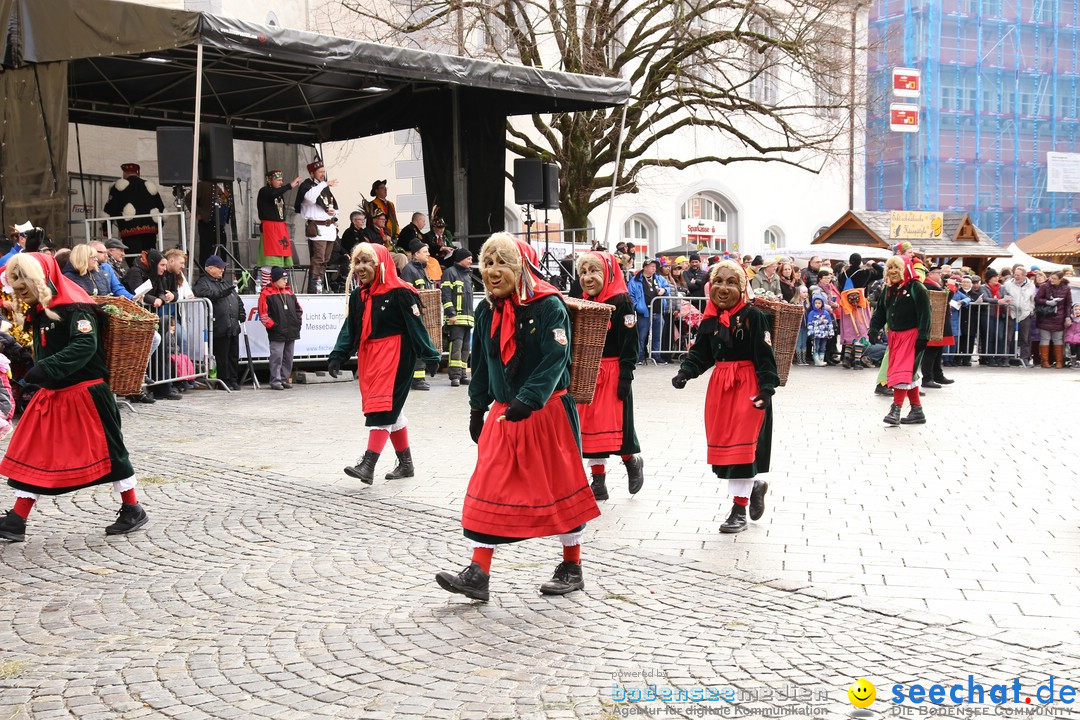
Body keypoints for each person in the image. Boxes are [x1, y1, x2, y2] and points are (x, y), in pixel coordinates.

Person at [434, 234, 600, 602]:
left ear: (521, 267)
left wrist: (529, 399)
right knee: (489, 485)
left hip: (546, 412)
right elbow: (482, 362)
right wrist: (477, 407)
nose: (493, 271)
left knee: (561, 489)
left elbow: (554, 359)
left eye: (502, 263)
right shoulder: (486, 309)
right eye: (488, 263)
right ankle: (478, 572)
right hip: (504, 415)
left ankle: (572, 566)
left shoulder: (548, 306)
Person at [0, 253, 147, 543]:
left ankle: (132, 507)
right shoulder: (43, 309)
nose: (19, 290)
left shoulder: (76, 307)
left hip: (87, 393)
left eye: (23, 282)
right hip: (54, 394)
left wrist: (46, 368)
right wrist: (24, 356)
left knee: (111, 451)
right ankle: (17, 519)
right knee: (34, 452)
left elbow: (84, 346)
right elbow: (49, 347)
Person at [671, 260, 777, 534]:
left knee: (743, 448)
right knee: (727, 448)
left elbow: (765, 357)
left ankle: (738, 509)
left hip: (748, 386)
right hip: (721, 387)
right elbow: (702, 353)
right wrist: (686, 372)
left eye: (731, 282)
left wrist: (766, 390)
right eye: (719, 281)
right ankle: (753, 487)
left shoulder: (754, 316)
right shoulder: (711, 318)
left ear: (742, 288)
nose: (723, 288)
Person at [327, 243, 440, 484]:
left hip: (397, 354)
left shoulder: (401, 292)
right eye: (358, 263)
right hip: (371, 355)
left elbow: (416, 327)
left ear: (380, 264)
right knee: (392, 410)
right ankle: (406, 464)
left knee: (383, 408)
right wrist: (338, 354)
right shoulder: (360, 295)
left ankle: (368, 464)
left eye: (367, 262)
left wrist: (430, 355)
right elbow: (351, 329)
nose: (361, 268)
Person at [574, 251, 644, 501]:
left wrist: (626, 374)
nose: (587, 278)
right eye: (583, 272)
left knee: (616, 425)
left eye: (594, 271)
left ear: (608, 273)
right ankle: (598, 482)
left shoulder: (621, 301)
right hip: (589, 371)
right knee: (590, 428)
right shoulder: (583, 302)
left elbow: (630, 341)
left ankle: (631, 462)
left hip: (613, 371)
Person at [868, 256, 931, 426]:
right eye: (890, 268)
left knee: (902, 372)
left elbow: (926, 314)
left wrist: (923, 337)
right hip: (895, 336)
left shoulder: (917, 288)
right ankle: (917, 410)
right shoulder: (889, 289)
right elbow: (880, 311)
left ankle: (895, 409)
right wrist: (873, 329)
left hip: (911, 336)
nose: (893, 271)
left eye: (897, 267)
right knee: (907, 372)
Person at [194, 255, 245, 391]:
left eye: (223, 267)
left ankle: (234, 379)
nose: (222, 270)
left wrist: (241, 312)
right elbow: (203, 293)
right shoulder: (203, 282)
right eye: (219, 267)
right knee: (222, 356)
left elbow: (237, 299)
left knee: (233, 355)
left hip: (233, 324)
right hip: (219, 324)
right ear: (210, 269)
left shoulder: (225, 282)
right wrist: (222, 293)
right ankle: (224, 380)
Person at [294, 160, 339, 294]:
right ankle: (314, 288)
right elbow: (310, 198)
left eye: (323, 172)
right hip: (317, 228)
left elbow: (335, 207)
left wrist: (333, 212)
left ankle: (320, 285)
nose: (322, 174)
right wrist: (325, 184)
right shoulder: (307, 186)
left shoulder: (324, 187)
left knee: (325, 260)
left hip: (328, 228)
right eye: (320, 172)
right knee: (318, 258)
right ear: (312, 173)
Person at [102, 163, 165, 256]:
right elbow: (161, 209)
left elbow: (110, 208)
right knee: (149, 256)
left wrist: (106, 228)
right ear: (137, 172)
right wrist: (159, 226)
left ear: (124, 173)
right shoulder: (149, 185)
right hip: (150, 231)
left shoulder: (118, 187)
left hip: (129, 230)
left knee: (133, 256)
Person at [258, 266, 303, 390]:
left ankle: (284, 379)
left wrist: (297, 322)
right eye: (283, 278)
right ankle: (275, 380)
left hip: (291, 331)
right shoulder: (266, 293)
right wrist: (274, 327)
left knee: (288, 357)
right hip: (277, 332)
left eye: (286, 278)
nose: (286, 281)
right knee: (277, 357)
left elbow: (299, 310)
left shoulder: (290, 293)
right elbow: (263, 315)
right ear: (276, 279)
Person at [256, 170, 302, 288]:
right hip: (270, 228)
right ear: (270, 180)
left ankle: (275, 285)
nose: (281, 182)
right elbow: (273, 194)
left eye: (282, 180)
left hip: (280, 228)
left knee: (280, 261)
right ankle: (265, 287)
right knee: (270, 260)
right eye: (278, 180)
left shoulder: (279, 193)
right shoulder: (264, 191)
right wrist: (289, 186)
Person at [399, 239, 434, 391]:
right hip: (414, 315)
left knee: (421, 345)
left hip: (421, 314)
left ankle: (419, 378)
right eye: (425, 252)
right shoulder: (409, 270)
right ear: (416, 254)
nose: (428, 254)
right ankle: (416, 379)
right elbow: (406, 294)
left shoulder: (422, 269)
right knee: (416, 346)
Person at [441, 247, 474, 387]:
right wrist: (451, 313)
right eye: (469, 258)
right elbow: (446, 294)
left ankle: (462, 374)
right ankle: (454, 376)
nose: (471, 261)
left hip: (467, 319)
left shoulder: (467, 276)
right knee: (456, 347)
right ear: (461, 258)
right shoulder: (450, 273)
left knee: (466, 348)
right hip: (456, 319)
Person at [627, 258, 670, 363]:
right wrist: (637, 306)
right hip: (644, 313)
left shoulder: (659, 278)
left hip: (658, 311)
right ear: (645, 267)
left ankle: (657, 356)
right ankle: (640, 356)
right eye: (652, 266)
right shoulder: (635, 280)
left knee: (657, 336)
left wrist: (664, 290)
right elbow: (630, 295)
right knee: (642, 336)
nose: (654, 268)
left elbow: (668, 287)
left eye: (655, 266)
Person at [920, 265, 955, 388]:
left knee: (938, 351)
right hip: (934, 322)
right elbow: (945, 298)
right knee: (931, 351)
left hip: (939, 321)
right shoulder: (928, 285)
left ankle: (937, 375)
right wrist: (951, 287)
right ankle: (927, 378)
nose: (940, 275)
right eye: (937, 273)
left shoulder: (934, 285)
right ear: (930, 274)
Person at [1035, 271, 1073, 368]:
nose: (1052, 280)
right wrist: (1047, 302)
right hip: (1045, 316)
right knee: (1045, 339)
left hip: (1059, 317)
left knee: (1058, 339)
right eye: (1051, 278)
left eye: (1055, 279)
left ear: (1060, 279)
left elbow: (1068, 303)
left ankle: (1059, 361)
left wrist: (1068, 316)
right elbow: (1037, 299)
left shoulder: (1066, 288)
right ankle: (1045, 361)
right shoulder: (1044, 286)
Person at [1002, 265, 1036, 367]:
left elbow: (1032, 299)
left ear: (1024, 275)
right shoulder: (1008, 284)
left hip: (1025, 314)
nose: (1016, 277)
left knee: (1024, 338)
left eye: (1018, 275)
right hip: (1011, 312)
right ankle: (1005, 358)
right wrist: (1006, 307)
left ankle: (1024, 358)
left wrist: (1030, 310)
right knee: (1008, 337)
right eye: (1015, 274)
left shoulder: (1031, 285)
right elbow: (1004, 297)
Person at [977, 268, 1009, 366]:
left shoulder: (1002, 287)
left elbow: (1006, 296)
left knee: (1000, 336)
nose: (996, 278)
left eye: (997, 276)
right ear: (989, 278)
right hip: (987, 315)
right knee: (989, 336)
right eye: (994, 277)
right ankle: (989, 358)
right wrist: (997, 301)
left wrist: (1007, 300)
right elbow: (985, 298)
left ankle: (999, 357)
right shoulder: (983, 287)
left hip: (1000, 315)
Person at [837, 285, 871, 370]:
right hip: (859, 326)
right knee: (856, 342)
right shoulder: (848, 306)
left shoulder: (860, 304)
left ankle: (848, 359)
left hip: (858, 326)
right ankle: (856, 361)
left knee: (851, 342)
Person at [806, 293, 834, 366]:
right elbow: (810, 323)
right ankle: (817, 360)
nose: (817, 305)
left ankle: (821, 359)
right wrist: (811, 333)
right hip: (815, 334)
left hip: (824, 334)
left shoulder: (826, 313)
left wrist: (830, 333)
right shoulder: (812, 313)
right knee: (816, 346)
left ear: (822, 303)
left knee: (823, 347)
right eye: (816, 303)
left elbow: (829, 323)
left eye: (819, 303)